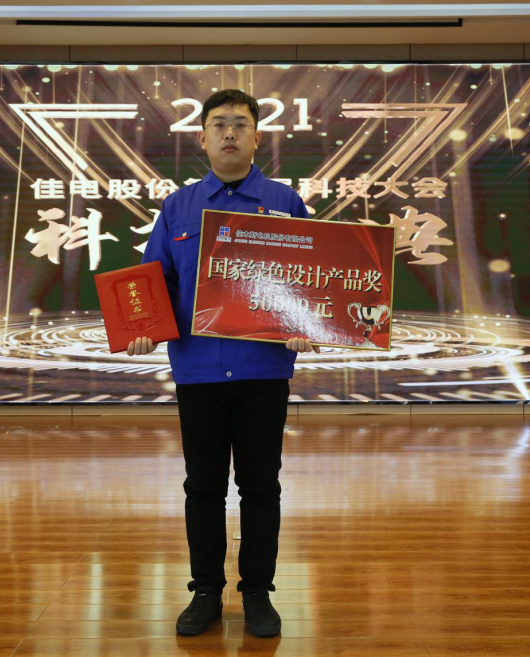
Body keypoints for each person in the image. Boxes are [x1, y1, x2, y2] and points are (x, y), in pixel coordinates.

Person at [125, 89, 317, 638]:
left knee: (261, 486)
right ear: (203, 137)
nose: (229, 133)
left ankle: (257, 592)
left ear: (257, 136)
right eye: (219, 124)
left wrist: (309, 324)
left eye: (240, 124)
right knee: (203, 487)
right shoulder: (178, 207)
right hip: (199, 371)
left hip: (263, 369)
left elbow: (309, 281)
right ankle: (205, 591)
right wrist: (141, 327)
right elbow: (155, 280)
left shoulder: (284, 202)